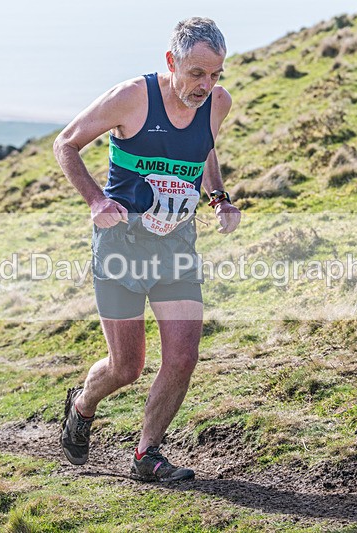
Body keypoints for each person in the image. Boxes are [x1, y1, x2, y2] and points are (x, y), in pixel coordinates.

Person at [53, 17, 241, 482]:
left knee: (182, 357)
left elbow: (205, 150)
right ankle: (82, 403)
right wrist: (97, 200)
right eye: (197, 73)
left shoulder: (217, 103)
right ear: (171, 61)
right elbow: (66, 144)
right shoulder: (132, 97)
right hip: (121, 245)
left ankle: (147, 453)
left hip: (176, 245)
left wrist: (219, 197)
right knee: (127, 365)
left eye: (216, 74)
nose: (206, 85)